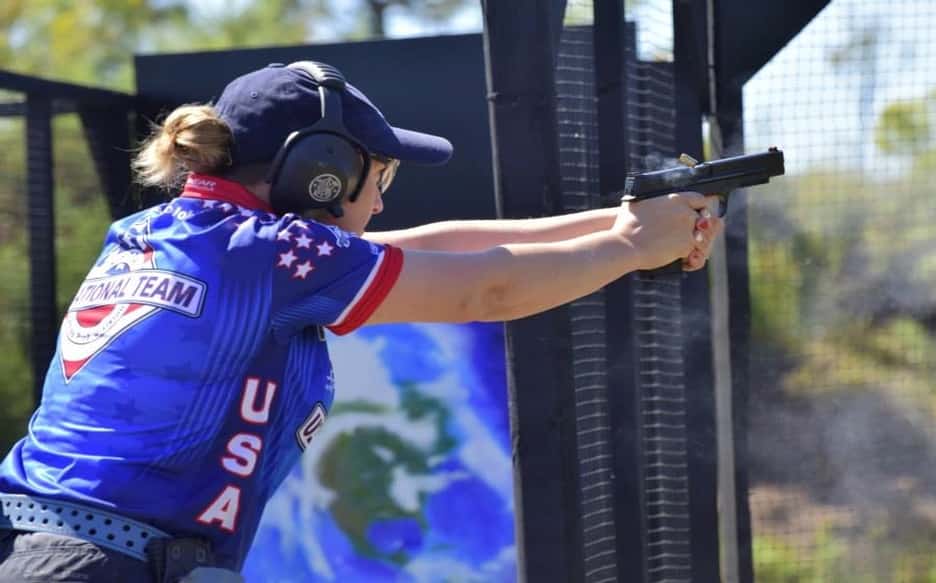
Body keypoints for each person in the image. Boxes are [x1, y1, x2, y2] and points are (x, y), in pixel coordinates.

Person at [0, 61, 723, 582]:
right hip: (104, 566)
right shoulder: (270, 253)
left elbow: (437, 246)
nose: (378, 203)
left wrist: (625, 222)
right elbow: (488, 292)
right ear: (321, 172)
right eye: (379, 178)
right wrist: (633, 245)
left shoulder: (173, 233)